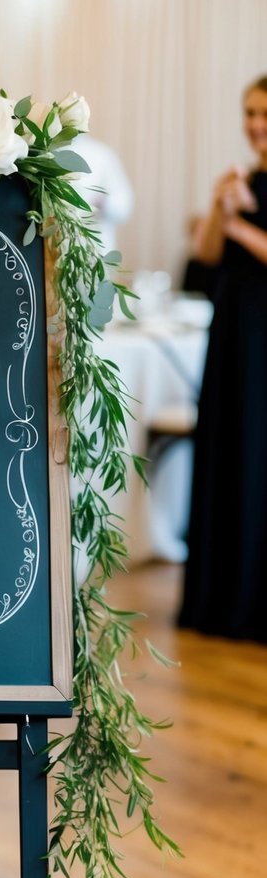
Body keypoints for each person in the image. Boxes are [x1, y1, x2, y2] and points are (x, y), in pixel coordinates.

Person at [179, 75, 267, 642]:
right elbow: (207, 255)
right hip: (234, 334)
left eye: (263, 114)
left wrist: (242, 220)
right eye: (249, 112)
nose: (254, 124)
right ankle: (221, 601)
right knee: (229, 449)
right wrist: (218, 210)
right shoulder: (246, 181)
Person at [73, 132, 134, 256]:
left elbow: (124, 205)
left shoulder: (102, 155)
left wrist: (104, 202)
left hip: (94, 248)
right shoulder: (44, 151)